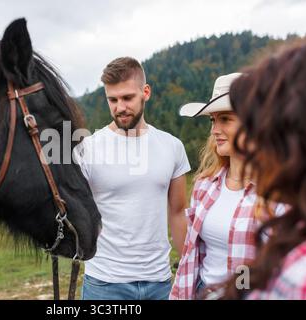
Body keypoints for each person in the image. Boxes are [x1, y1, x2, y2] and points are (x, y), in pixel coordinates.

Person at [74, 57, 191, 300]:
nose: (119, 107)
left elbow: (178, 212)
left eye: (127, 98)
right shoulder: (86, 149)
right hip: (104, 284)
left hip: (159, 282)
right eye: (112, 100)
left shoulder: (172, 147)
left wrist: (190, 267)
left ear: (145, 92)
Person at [169, 73, 286, 300]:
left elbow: (282, 270)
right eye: (213, 120)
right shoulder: (205, 185)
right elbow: (192, 258)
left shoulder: (278, 194)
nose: (214, 130)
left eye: (225, 119)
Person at [221, 38, 306, 299]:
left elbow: (244, 264)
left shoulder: (305, 277)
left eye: (259, 132)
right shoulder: (206, 185)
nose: (249, 145)